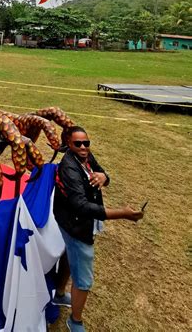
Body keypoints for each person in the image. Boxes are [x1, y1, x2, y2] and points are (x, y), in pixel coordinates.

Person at [53, 126, 144, 332]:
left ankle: (59, 294)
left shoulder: (85, 156)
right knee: (83, 280)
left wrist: (104, 176)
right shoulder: (68, 168)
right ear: (69, 144)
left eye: (87, 143)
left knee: (69, 256)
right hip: (76, 225)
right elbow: (81, 206)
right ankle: (75, 322)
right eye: (78, 144)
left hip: (73, 221)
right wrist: (122, 213)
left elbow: (101, 172)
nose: (84, 147)